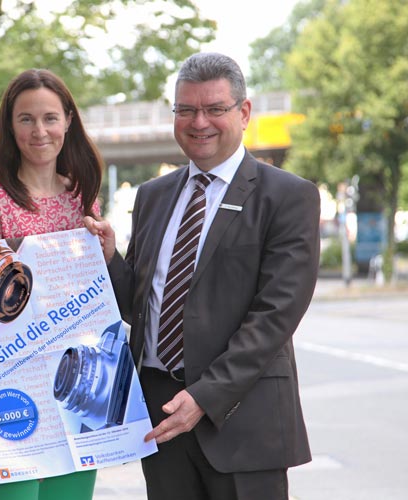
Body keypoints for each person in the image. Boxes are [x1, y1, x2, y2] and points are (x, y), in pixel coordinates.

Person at [85, 52, 320, 500]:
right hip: (160, 416)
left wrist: (205, 397)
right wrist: (110, 258)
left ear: (244, 112)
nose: (199, 122)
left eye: (215, 109)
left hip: (242, 421)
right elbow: (138, 303)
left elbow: (275, 315)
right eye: (186, 110)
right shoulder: (152, 196)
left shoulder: (288, 197)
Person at [0, 68, 103, 500]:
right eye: (26, 119)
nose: (39, 130)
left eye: (50, 118)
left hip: (76, 391)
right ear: (10, 126)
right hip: (10, 393)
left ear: (68, 122)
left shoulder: (83, 197)